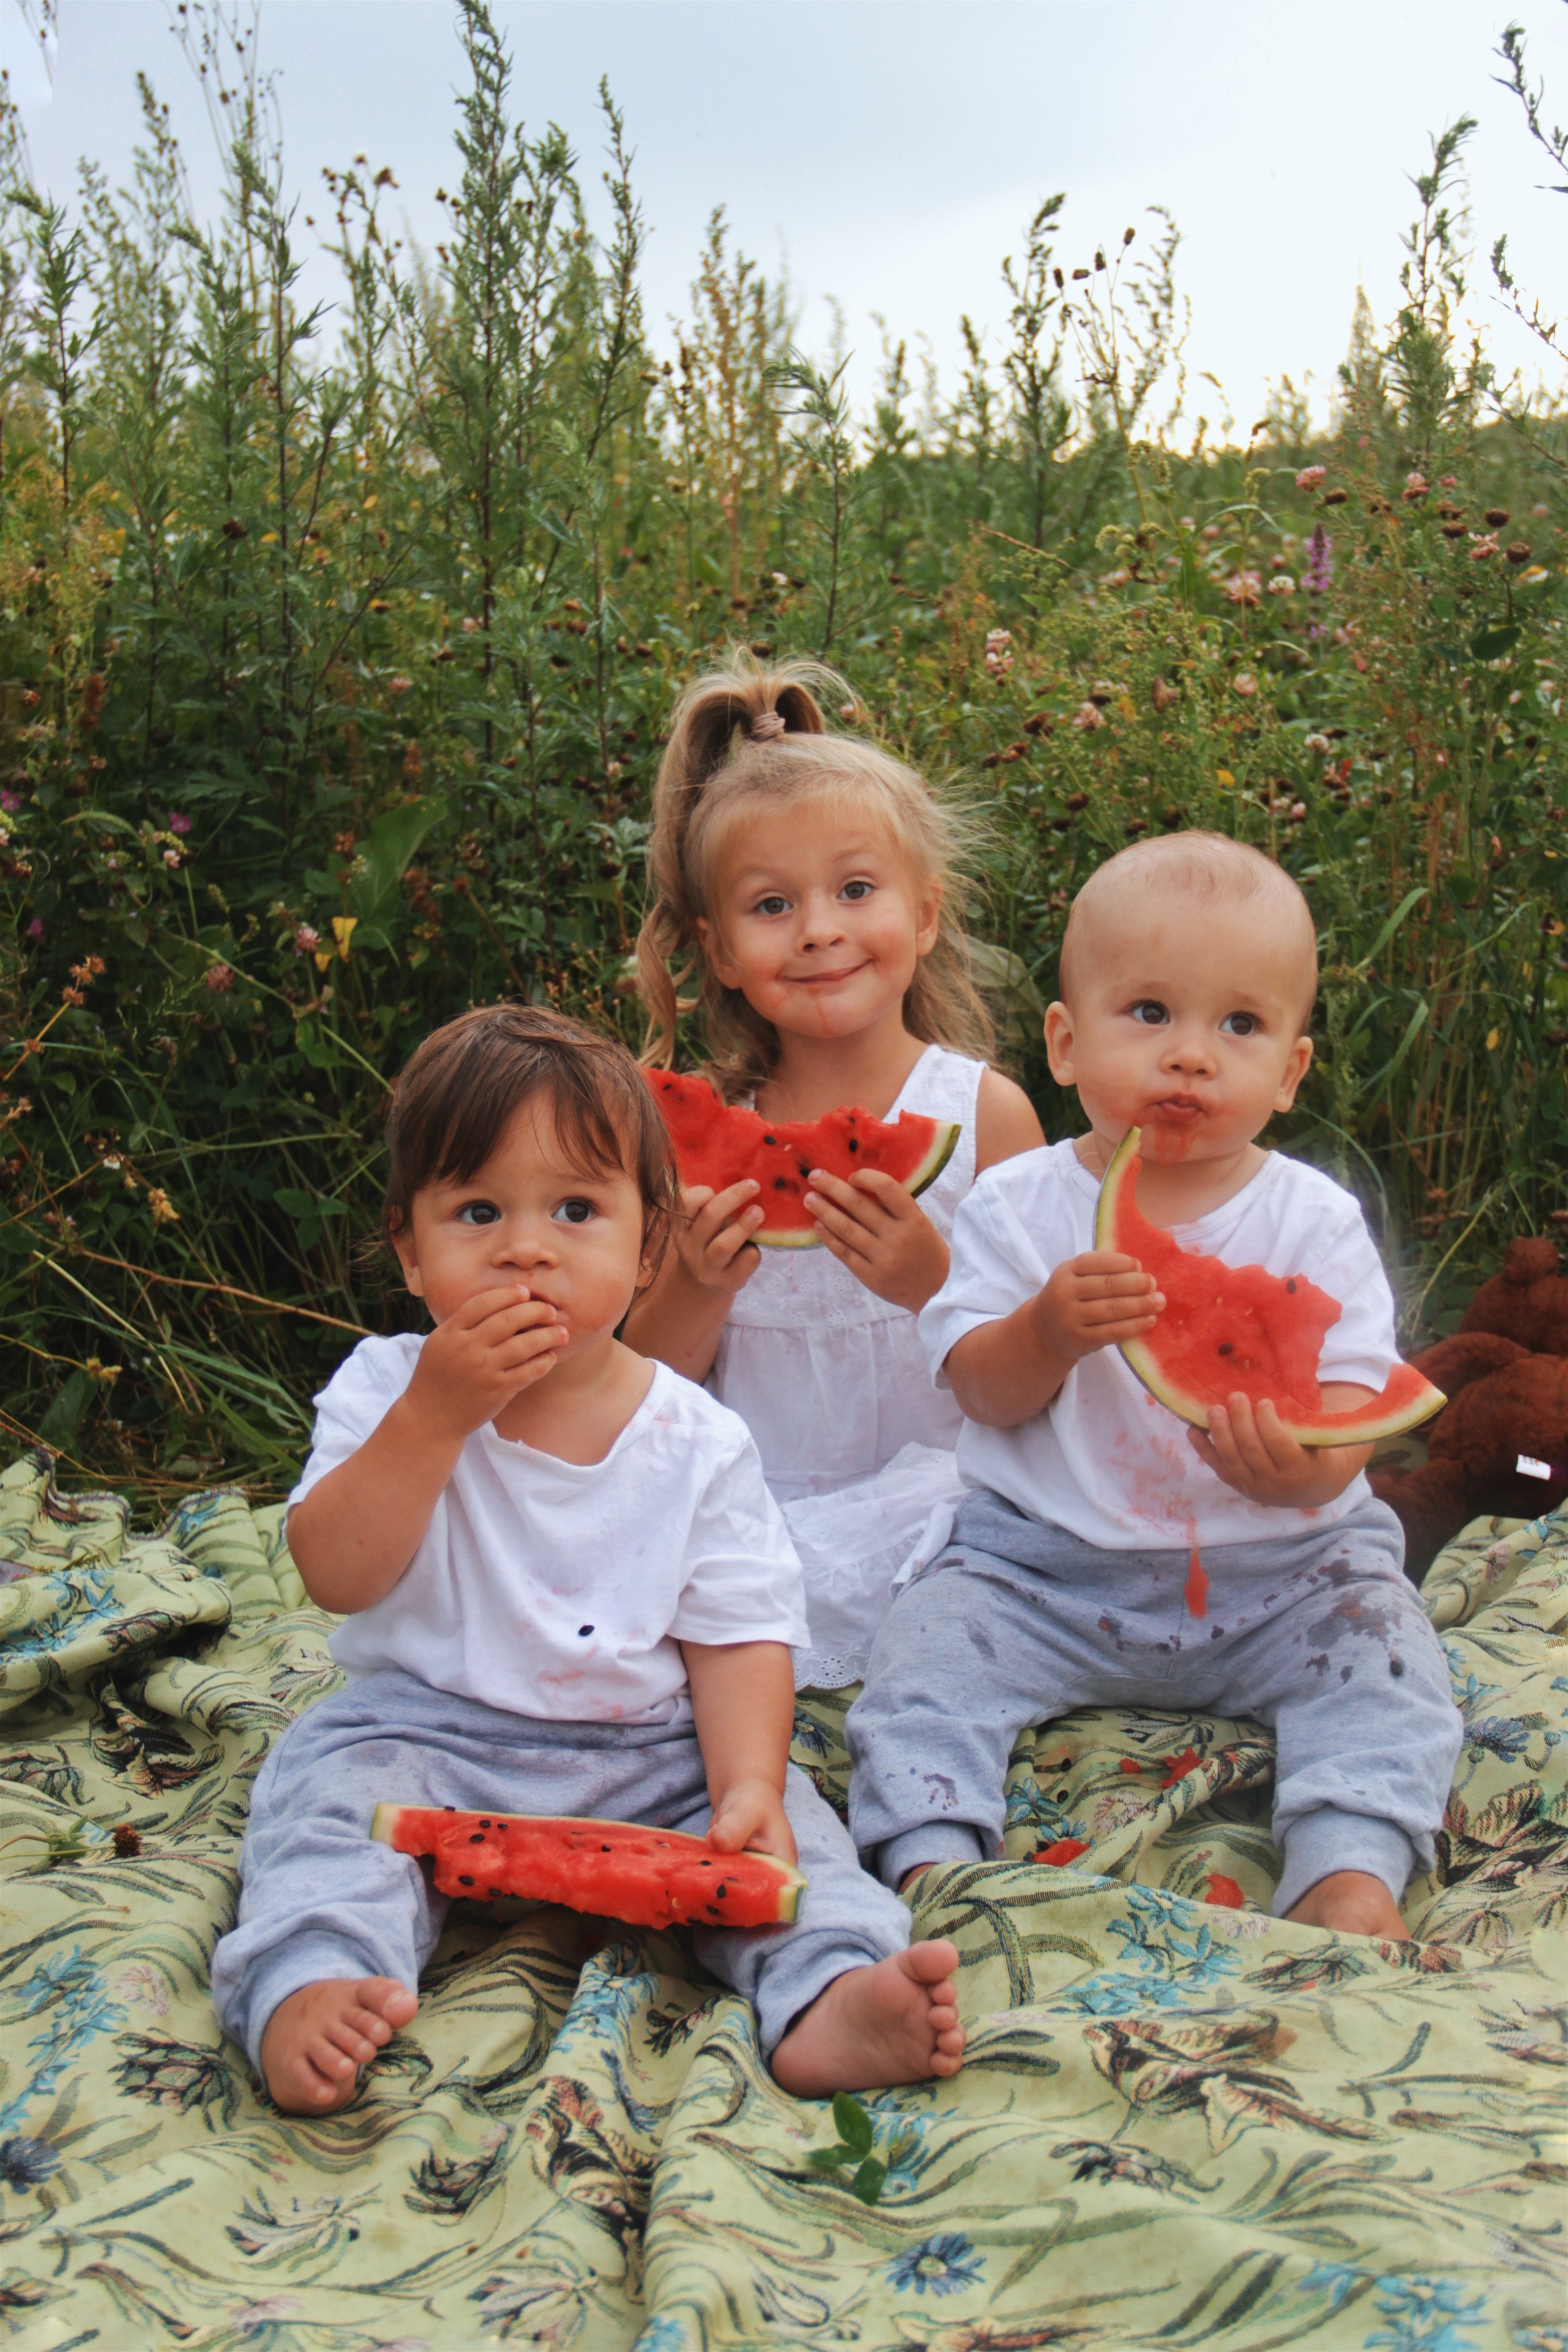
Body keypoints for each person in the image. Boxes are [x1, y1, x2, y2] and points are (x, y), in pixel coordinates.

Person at [211, 1005, 964, 2113]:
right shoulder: (385, 1389)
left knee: (797, 1837)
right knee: (323, 1807)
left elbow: (739, 1630)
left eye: (576, 1209)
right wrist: (432, 1421)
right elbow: (337, 1575)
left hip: (648, 1750)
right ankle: (312, 1982)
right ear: (413, 1253)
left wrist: (746, 1782)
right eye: (477, 1212)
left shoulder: (697, 1435)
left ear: (647, 1243)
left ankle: (831, 1995)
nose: (526, 1246)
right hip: (422, 1729)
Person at [846, 832, 1463, 1939]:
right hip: (1040, 1570)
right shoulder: (1017, 1206)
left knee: (1384, 1647)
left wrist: (1303, 1476)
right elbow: (981, 1393)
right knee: (922, 1656)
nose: (1190, 1057)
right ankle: (932, 1854)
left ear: (1290, 1072)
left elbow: (1351, 1430)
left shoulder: (1312, 1220)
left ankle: (1349, 1864)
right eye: (1149, 1014)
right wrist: (1043, 1331)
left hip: (1287, 1575)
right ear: (1067, 1044)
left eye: (1239, 1025)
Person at [625, 655, 1042, 1688]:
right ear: (718, 952)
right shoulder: (689, 1144)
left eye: (856, 890)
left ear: (926, 914)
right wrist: (693, 1282)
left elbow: (1048, 1374)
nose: (818, 929)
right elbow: (644, 1385)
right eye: (772, 907)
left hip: (955, 1518)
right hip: (757, 1527)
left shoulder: (982, 1115)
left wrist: (935, 1286)